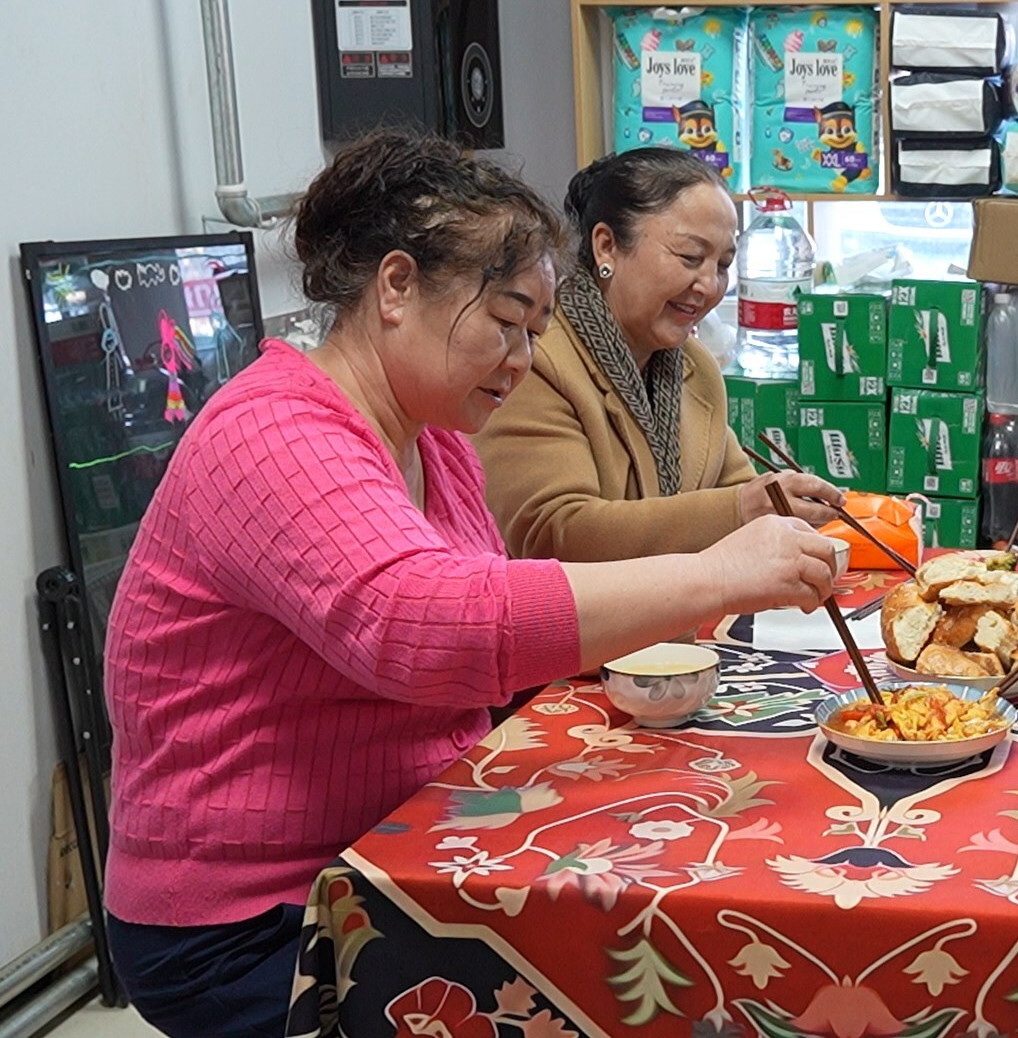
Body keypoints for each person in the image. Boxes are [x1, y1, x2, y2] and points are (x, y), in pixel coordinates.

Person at [101, 133, 837, 1038]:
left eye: (535, 332)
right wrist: (715, 573)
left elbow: (496, 603)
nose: (522, 360)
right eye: (506, 322)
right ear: (397, 286)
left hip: (400, 842)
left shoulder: (433, 437)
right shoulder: (275, 433)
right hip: (256, 915)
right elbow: (434, 628)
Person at [474, 147, 841, 562]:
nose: (709, 285)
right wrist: (740, 509)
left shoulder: (695, 367)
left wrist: (780, 506)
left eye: (722, 265)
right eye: (690, 258)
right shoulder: (537, 360)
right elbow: (553, 532)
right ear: (606, 246)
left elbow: (737, 490)